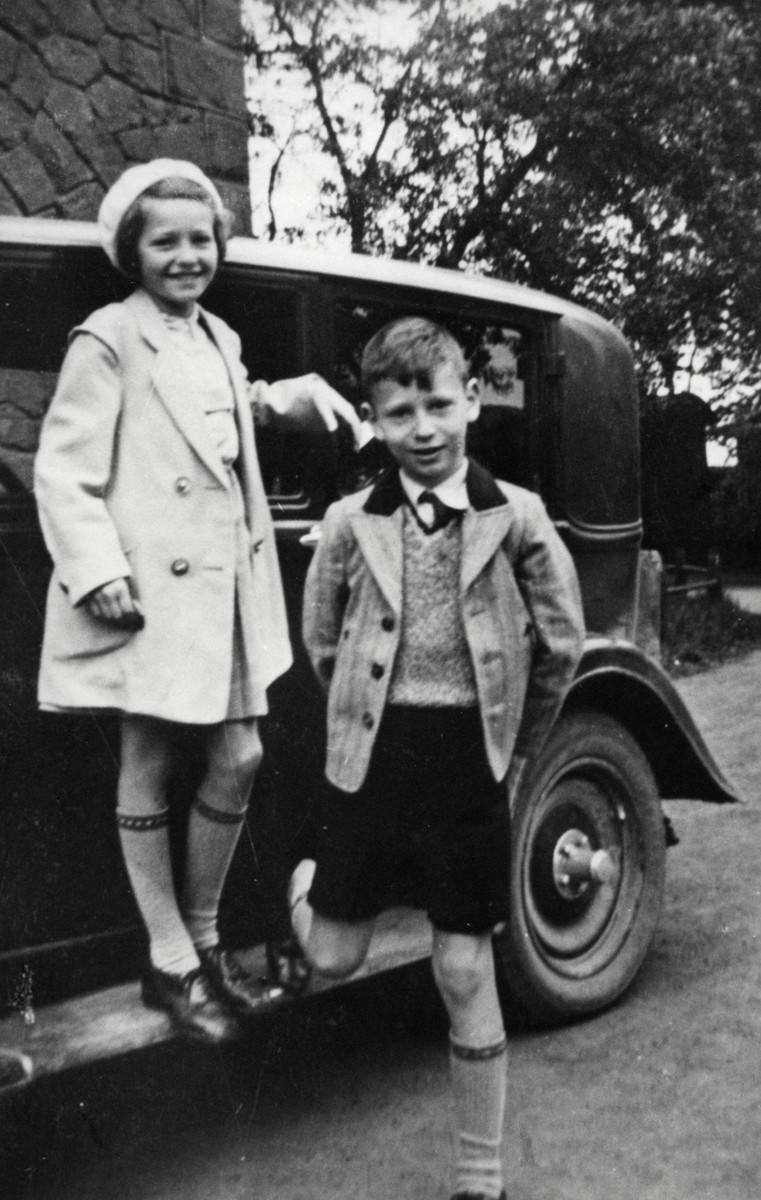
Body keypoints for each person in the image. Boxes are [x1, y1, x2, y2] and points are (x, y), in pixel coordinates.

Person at [34, 159, 359, 1045]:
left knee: (240, 752)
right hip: (144, 590)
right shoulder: (105, 336)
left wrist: (274, 397)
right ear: (131, 252)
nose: (186, 256)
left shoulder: (219, 338)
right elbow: (63, 468)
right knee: (144, 757)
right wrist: (95, 566)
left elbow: (211, 414)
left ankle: (203, 939)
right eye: (164, 241)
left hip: (223, 590)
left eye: (200, 240)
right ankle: (171, 956)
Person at [289, 317, 585, 1200]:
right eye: (397, 412)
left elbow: (562, 644)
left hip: (466, 763)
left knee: (462, 967)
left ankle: (478, 1172)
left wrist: (515, 751)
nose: (421, 428)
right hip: (375, 764)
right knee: (332, 960)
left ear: (472, 404)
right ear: (374, 423)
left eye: (437, 405)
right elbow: (320, 637)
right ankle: (306, 885)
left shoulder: (516, 515)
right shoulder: (350, 520)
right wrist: (359, 716)